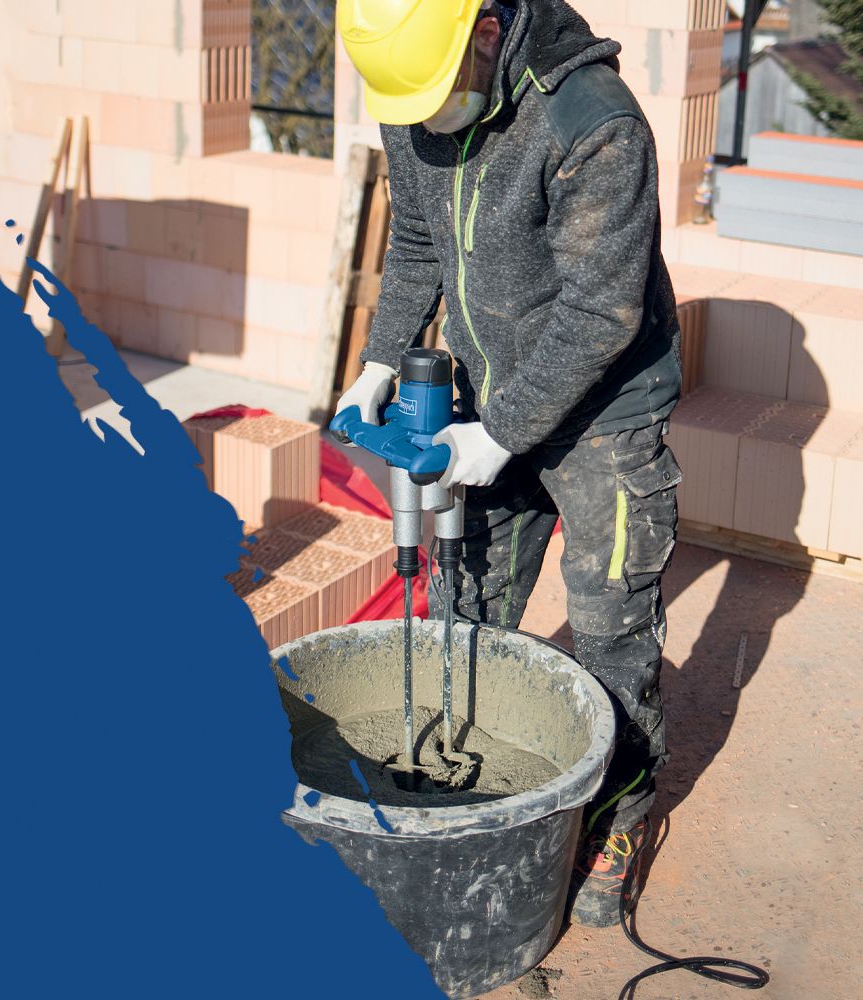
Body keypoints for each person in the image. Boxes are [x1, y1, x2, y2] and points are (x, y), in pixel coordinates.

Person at [335, 0, 683, 928]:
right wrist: (378, 363)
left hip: (604, 410)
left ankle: (619, 816)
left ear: (486, 32)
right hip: (490, 390)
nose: (422, 119)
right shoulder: (417, 88)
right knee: (468, 597)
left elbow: (600, 313)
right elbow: (418, 242)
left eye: (435, 97)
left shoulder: (593, 120)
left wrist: (500, 436)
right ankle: (467, 766)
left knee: (610, 631)